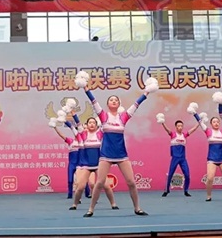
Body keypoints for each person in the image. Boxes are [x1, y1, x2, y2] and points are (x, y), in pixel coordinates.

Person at [78, 71, 158, 217]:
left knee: (131, 182)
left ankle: (137, 208)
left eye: (116, 100)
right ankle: (91, 209)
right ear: (108, 104)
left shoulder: (124, 117)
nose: (114, 101)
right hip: (106, 155)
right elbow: (93, 101)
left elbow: (137, 104)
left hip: (121, 154)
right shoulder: (103, 116)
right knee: (100, 183)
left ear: (119, 104)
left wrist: (147, 92)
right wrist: (85, 87)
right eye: (111, 100)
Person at [65, 115, 118, 211]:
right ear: (87, 124)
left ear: (97, 125)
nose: (92, 124)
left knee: (106, 186)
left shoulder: (99, 134)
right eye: (90, 123)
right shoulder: (83, 134)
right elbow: (77, 125)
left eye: (94, 123)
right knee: (80, 187)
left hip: (98, 165)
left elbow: (105, 124)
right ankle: (75, 204)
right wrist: (73, 115)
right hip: (86, 165)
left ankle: (113, 204)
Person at [190, 105, 222, 202]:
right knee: (210, 178)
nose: (216, 123)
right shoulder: (208, 131)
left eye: (217, 122)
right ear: (211, 124)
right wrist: (194, 113)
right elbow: (200, 122)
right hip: (212, 159)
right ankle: (208, 196)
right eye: (214, 122)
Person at [157, 114, 199, 197]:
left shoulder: (184, 135)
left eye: (181, 126)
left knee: (187, 175)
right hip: (175, 158)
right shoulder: (173, 134)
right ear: (176, 127)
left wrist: (199, 122)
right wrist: (162, 122)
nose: (180, 127)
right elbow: (167, 129)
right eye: (178, 126)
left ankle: (186, 190)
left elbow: (193, 129)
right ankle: (167, 190)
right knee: (170, 174)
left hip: (183, 159)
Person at [50, 113, 89, 200]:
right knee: (70, 180)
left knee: (83, 180)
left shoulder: (83, 141)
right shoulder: (70, 141)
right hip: (72, 163)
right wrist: (55, 127)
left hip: (80, 163)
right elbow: (61, 135)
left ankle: (87, 193)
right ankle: (70, 194)